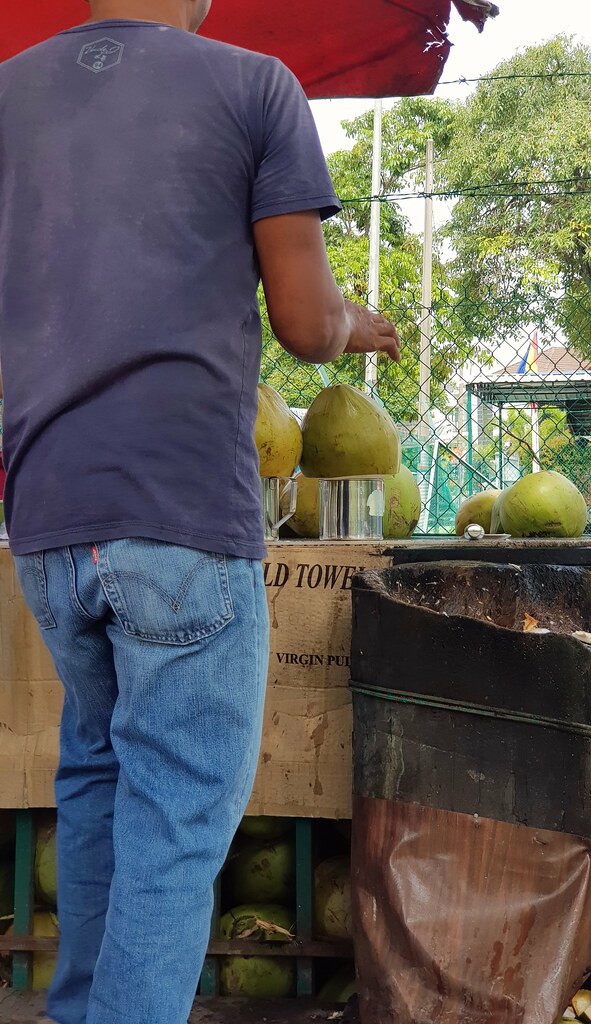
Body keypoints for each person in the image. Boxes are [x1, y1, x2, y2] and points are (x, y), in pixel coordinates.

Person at [0, 2, 400, 1022]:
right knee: (177, 815)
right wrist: (365, 322)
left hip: (46, 516)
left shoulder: (9, 91)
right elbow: (307, 326)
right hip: (178, 508)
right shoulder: (254, 84)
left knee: (97, 771)